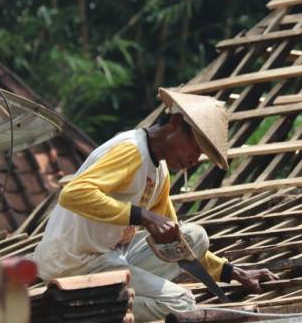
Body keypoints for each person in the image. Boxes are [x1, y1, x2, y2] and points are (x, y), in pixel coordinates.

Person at [32, 88, 277, 321]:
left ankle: (107, 298)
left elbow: (175, 241)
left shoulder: (160, 172)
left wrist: (231, 272)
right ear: (176, 125)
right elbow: (73, 194)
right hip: (72, 263)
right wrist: (143, 216)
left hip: (108, 258)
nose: (195, 160)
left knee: (194, 237)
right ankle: (81, 310)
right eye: (196, 148)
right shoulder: (131, 150)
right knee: (182, 303)